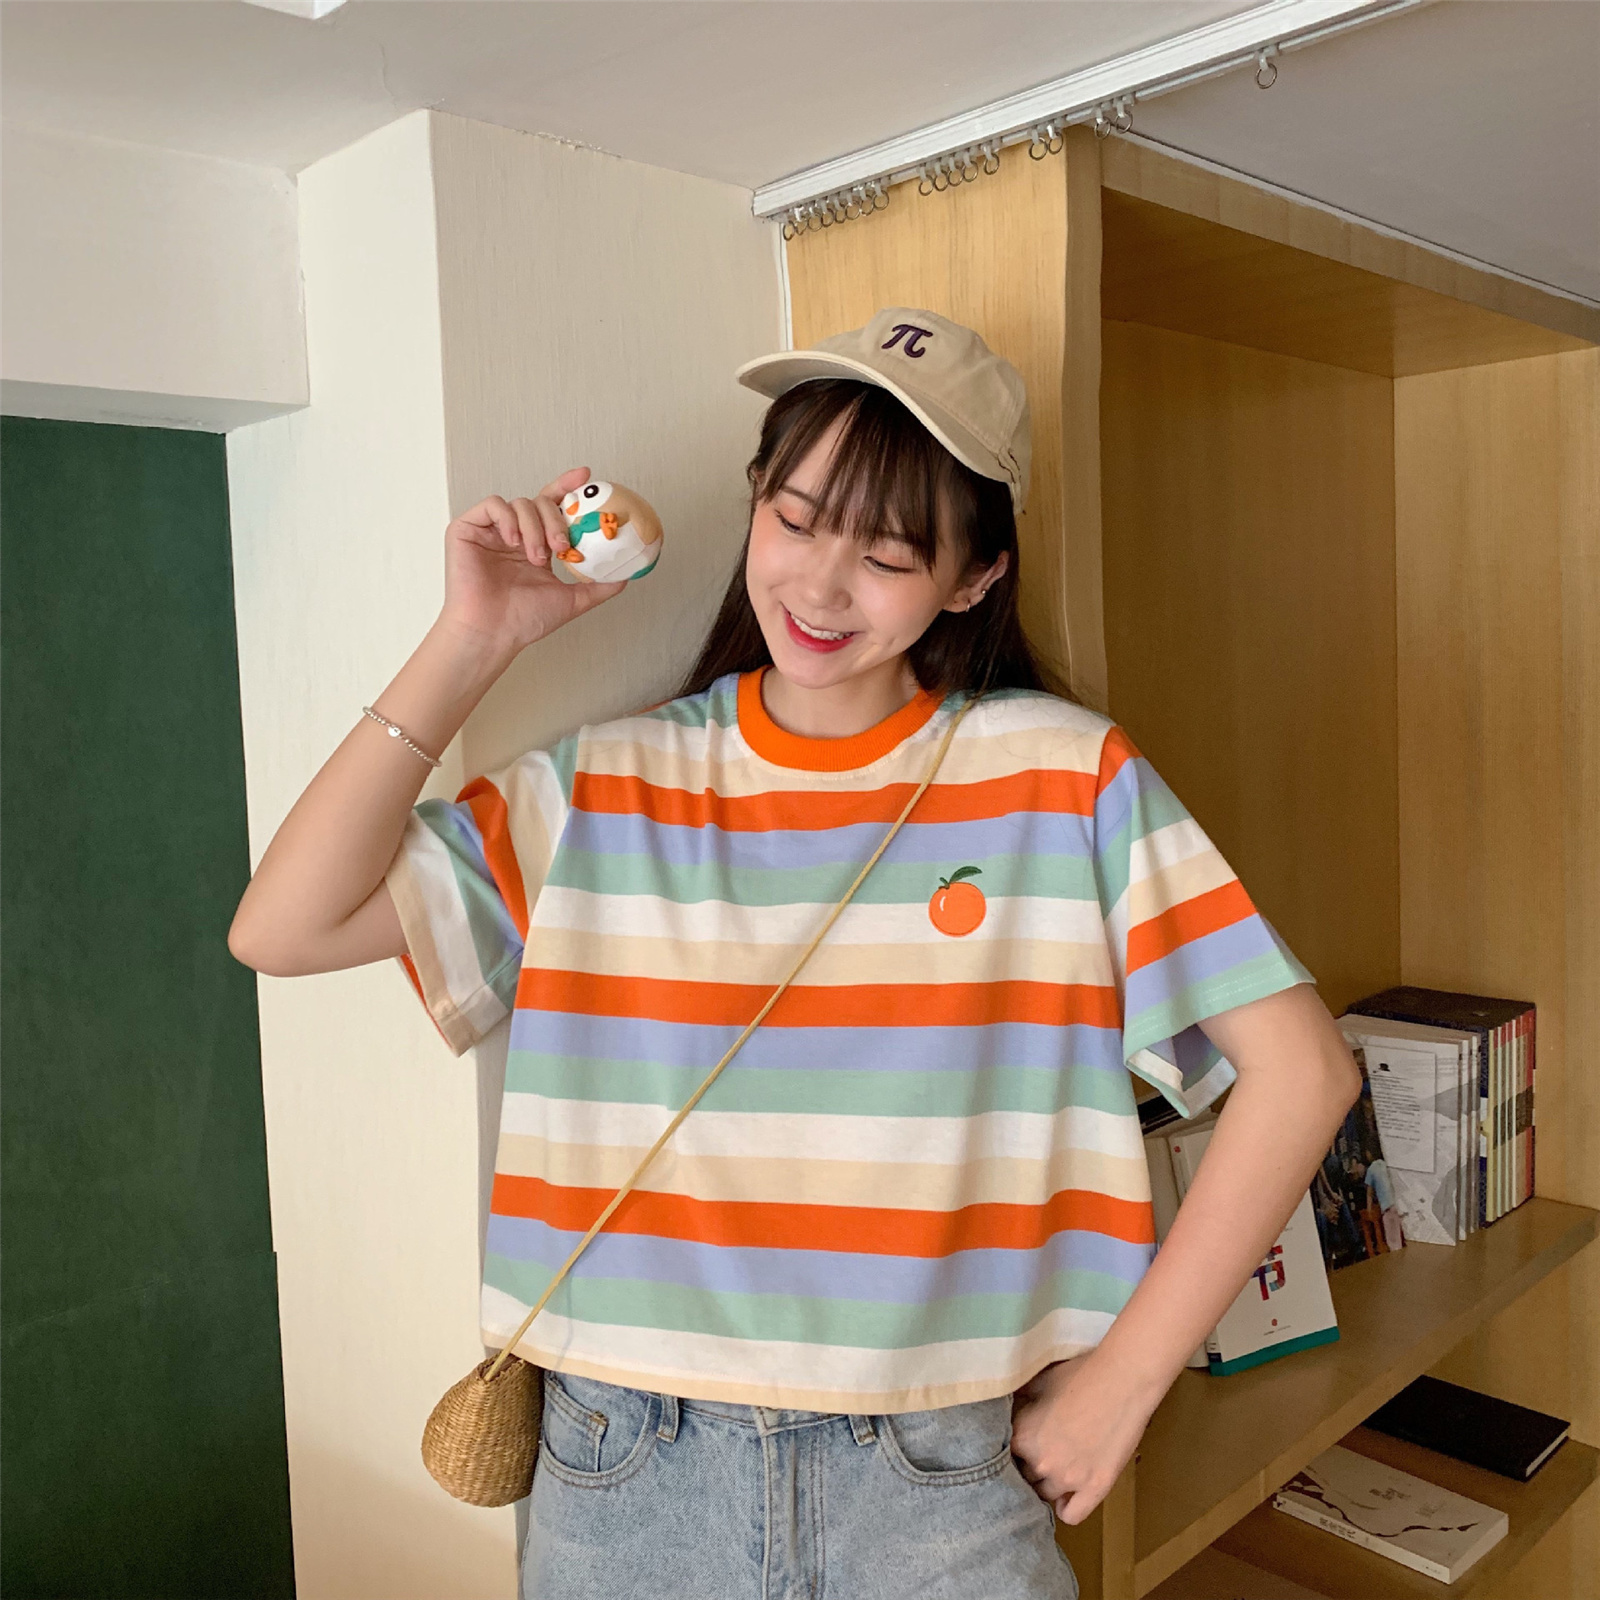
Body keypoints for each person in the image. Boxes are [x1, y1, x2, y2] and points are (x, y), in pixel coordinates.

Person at [229, 307, 1361, 1599]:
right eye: (796, 518)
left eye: (888, 554)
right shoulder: (608, 786)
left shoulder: (1064, 779)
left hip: (932, 1477)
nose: (820, 588)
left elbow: (1304, 1074)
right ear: (755, 503)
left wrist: (1126, 1381)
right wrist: (474, 640)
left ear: (973, 578)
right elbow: (284, 927)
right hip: (624, 1466)